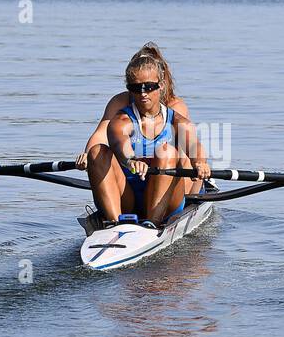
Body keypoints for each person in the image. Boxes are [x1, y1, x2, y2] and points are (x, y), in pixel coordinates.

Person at [76, 43, 211, 228]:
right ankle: (115, 224)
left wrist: (200, 163)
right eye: (135, 87)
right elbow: (118, 141)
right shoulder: (121, 118)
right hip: (129, 195)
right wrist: (130, 160)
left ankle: (151, 224)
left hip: (166, 198)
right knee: (98, 151)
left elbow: (193, 145)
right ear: (129, 87)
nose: (142, 93)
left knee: (167, 152)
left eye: (148, 87)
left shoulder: (177, 116)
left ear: (160, 85)